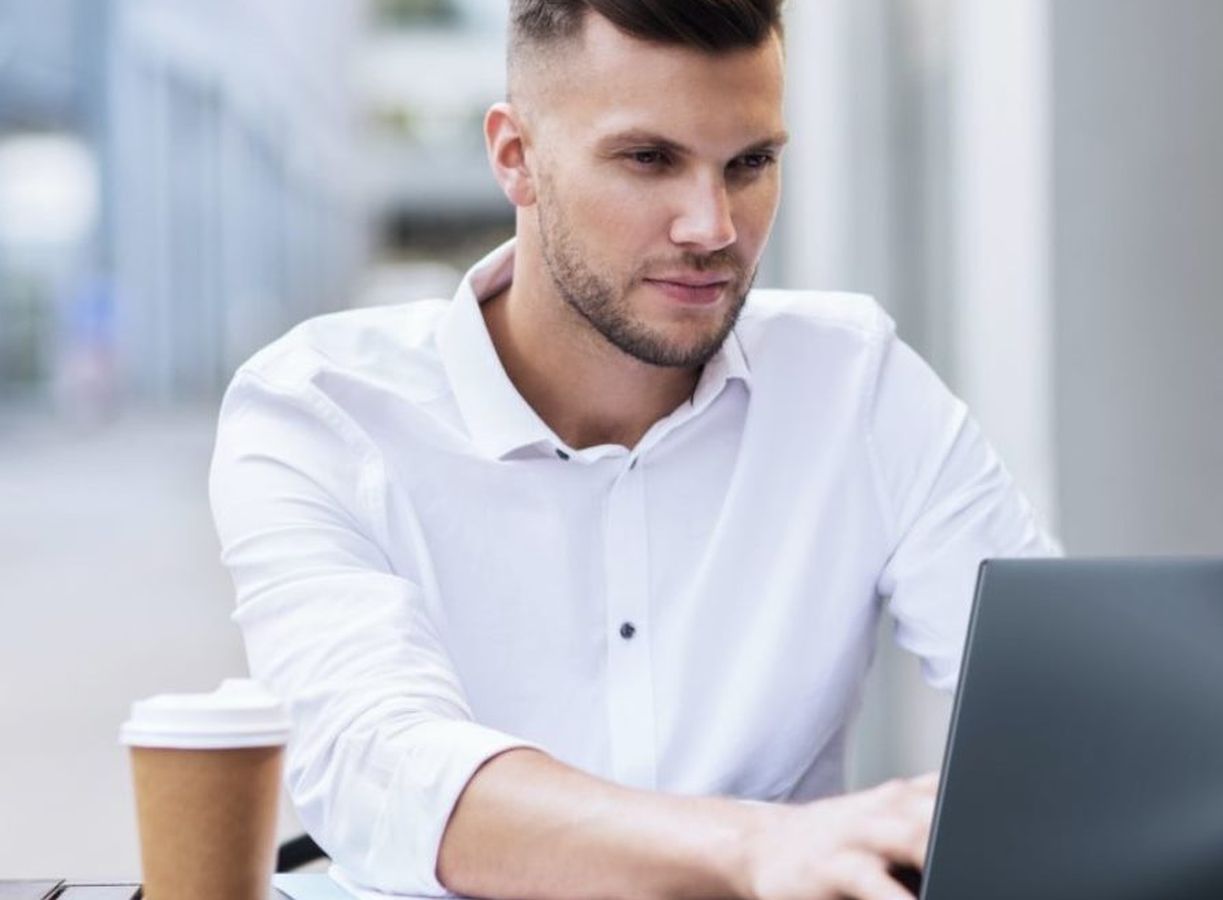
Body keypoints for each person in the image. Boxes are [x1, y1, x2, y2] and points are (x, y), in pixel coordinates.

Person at [208, 1, 1057, 897]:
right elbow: (381, 767)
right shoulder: (320, 413)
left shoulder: (855, 381)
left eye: (750, 163)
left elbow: (1063, 699)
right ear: (516, 156)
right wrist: (758, 847)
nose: (712, 227)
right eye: (649, 159)